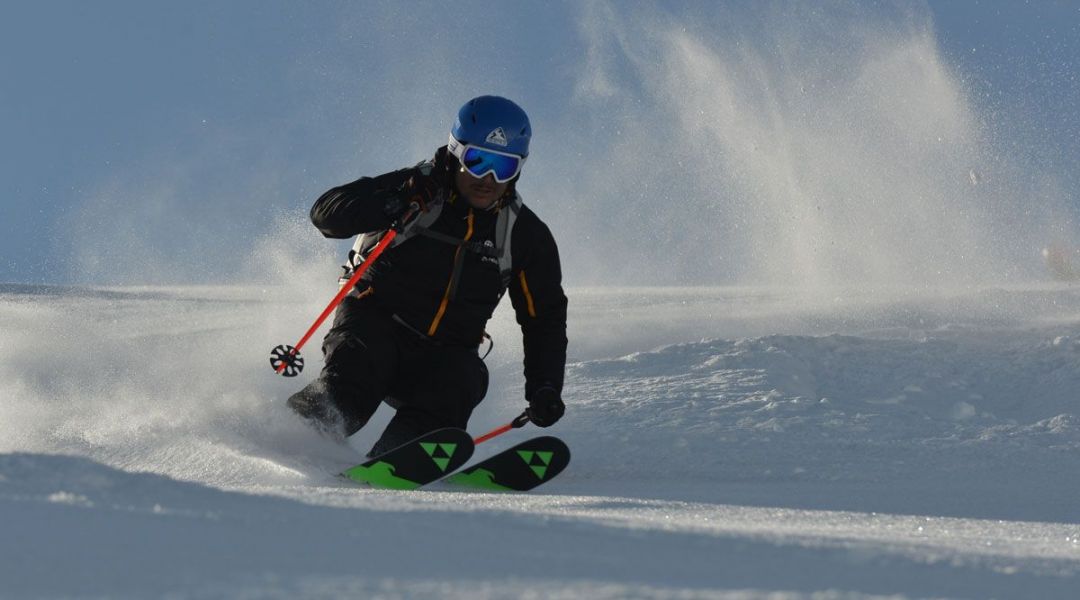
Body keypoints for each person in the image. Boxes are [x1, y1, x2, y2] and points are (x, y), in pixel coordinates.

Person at [287, 95, 567, 457]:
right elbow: (326, 214)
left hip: (442, 355)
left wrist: (545, 387)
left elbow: (543, 316)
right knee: (356, 380)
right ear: (455, 153)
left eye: (504, 167)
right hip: (374, 326)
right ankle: (292, 440)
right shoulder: (416, 190)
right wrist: (390, 205)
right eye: (478, 161)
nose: (489, 179)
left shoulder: (523, 234)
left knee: (464, 378)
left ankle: (396, 459)